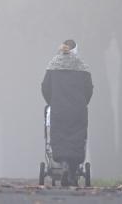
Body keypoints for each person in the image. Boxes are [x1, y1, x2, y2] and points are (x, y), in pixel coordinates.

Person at [41, 39, 93, 186]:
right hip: (78, 110)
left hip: (58, 110)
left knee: (59, 136)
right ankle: (72, 171)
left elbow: (45, 87)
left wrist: (53, 102)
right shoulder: (82, 66)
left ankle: (63, 163)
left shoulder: (53, 65)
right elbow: (89, 89)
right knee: (77, 138)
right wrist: (83, 103)